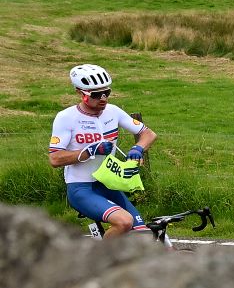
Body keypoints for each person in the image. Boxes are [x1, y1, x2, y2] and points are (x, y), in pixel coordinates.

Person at [49, 63, 155, 239]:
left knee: (144, 234)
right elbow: (55, 159)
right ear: (80, 92)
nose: (103, 98)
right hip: (81, 188)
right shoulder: (66, 118)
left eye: (107, 92)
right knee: (124, 222)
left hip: (108, 185)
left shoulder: (113, 112)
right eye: (97, 94)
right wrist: (90, 150)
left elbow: (148, 133)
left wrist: (138, 148)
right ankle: (98, 263)